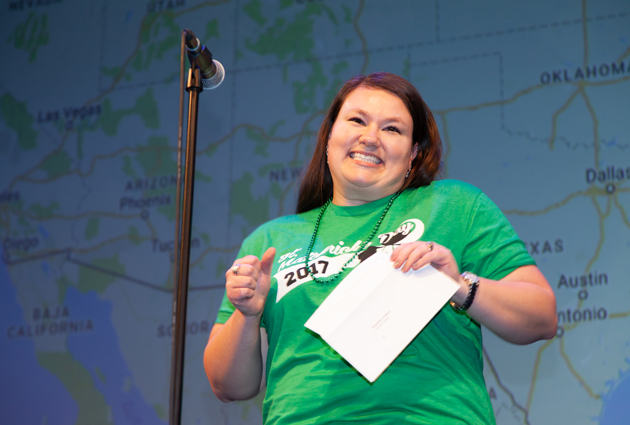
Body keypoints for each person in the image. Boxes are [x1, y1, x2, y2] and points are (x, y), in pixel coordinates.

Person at [204, 72, 557, 424]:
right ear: (329, 138)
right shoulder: (270, 241)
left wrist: (459, 286)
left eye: (392, 129)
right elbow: (228, 386)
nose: (370, 137)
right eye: (356, 120)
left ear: (414, 155)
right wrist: (247, 314)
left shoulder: (456, 205)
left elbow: (541, 316)